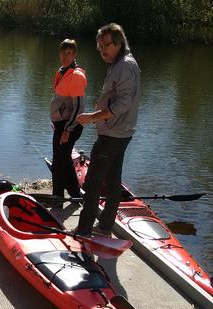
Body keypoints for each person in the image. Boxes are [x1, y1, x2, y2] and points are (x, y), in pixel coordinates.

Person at [74, 23, 140, 236]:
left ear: (119, 43)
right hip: (119, 133)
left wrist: (93, 117)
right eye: (99, 46)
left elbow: (123, 104)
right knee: (112, 183)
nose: (102, 50)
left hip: (112, 135)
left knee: (92, 184)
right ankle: (104, 227)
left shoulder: (124, 66)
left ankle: (84, 230)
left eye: (106, 45)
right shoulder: (119, 63)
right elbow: (117, 99)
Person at [49, 39, 87, 200]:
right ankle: (74, 193)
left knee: (59, 162)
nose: (65, 57)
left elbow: (79, 107)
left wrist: (68, 129)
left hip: (69, 126)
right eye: (63, 53)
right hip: (62, 124)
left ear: (74, 55)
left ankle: (58, 197)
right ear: (59, 54)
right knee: (62, 160)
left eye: (69, 54)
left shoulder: (76, 75)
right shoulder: (63, 71)